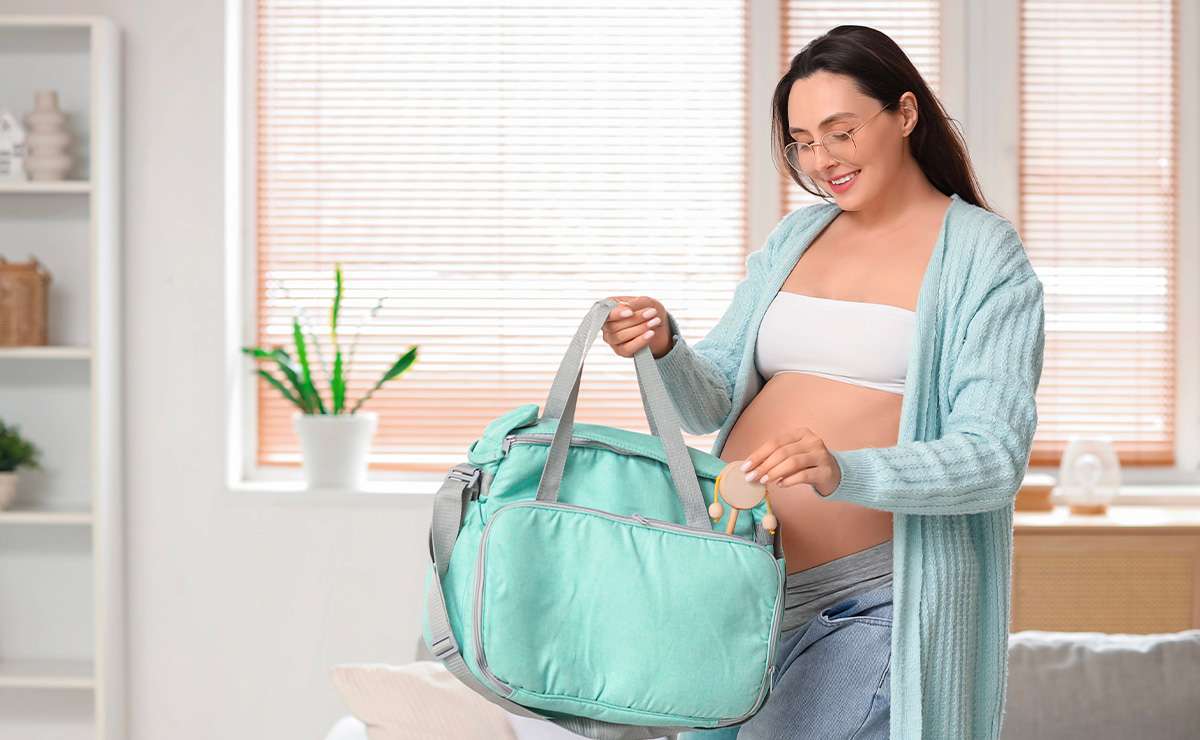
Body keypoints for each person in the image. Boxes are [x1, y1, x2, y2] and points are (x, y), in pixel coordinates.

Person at [602, 24, 1044, 740]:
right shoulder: (795, 238)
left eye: (841, 132)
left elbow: (993, 458)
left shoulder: (983, 257)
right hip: (738, 585)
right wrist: (664, 345)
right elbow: (710, 396)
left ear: (905, 113)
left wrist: (846, 471)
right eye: (802, 142)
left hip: (873, 597)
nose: (822, 160)